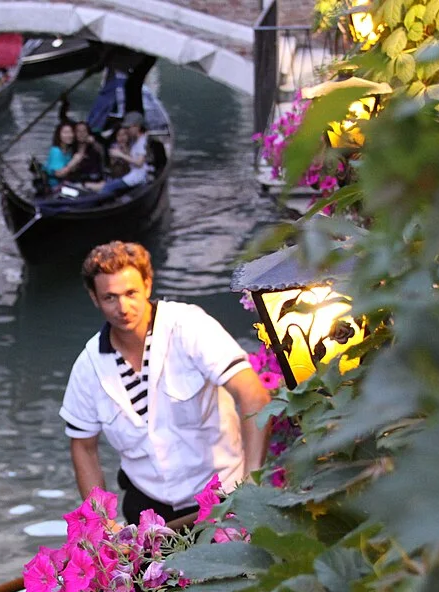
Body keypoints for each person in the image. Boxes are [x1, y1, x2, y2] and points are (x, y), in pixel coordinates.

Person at [60, 242, 270, 524]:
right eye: (110, 297)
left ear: (147, 285)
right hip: (149, 513)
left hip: (223, 498)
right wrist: (103, 523)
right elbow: (83, 446)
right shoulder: (88, 367)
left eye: (131, 293)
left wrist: (252, 480)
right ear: (94, 298)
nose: (123, 307)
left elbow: (253, 396)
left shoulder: (189, 327)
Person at [86, 110, 150, 194]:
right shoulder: (134, 141)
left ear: (137, 127)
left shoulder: (142, 141)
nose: (127, 131)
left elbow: (139, 163)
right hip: (129, 174)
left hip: (137, 176)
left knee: (108, 187)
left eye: (128, 128)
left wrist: (120, 155)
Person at [44, 121, 84, 189]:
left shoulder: (68, 150)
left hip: (66, 184)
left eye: (71, 132)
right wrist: (73, 162)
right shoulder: (56, 151)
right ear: (59, 135)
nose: (69, 135)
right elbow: (59, 174)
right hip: (55, 188)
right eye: (65, 133)